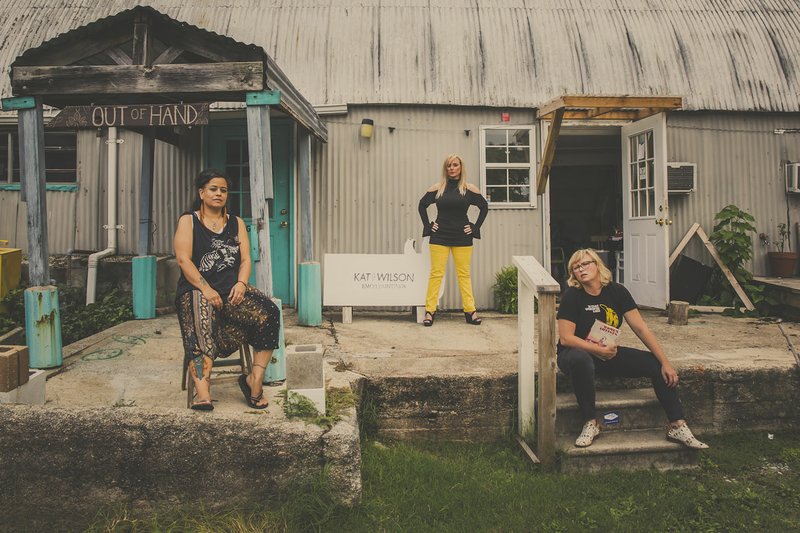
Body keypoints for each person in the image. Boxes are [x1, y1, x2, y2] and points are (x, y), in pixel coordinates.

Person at [556, 248, 708, 449]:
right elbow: (566, 339)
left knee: (655, 364)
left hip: (605, 353)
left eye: (585, 264)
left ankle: (677, 425)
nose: (581, 269)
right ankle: (590, 423)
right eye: (576, 267)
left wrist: (665, 362)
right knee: (581, 359)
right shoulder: (572, 296)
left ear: (597, 264)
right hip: (574, 355)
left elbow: (641, 328)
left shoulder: (617, 292)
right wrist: (598, 351)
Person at [174, 168, 280, 411]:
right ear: (201, 193)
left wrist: (242, 284)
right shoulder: (188, 221)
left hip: (231, 289)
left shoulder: (236, 223)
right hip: (196, 289)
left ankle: (254, 380)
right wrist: (207, 289)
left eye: (223, 190)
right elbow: (183, 260)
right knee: (199, 318)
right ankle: (202, 392)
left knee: (269, 312)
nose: (218, 194)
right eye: (213, 189)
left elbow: (244, 260)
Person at [418, 154, 488, 326]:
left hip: (462, 237)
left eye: (455, 165)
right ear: (446, 168)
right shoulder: (438, 187)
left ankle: (470, 311)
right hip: (440, 235)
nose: (451, 168)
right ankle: (429, 312)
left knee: (464, 275)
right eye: (449, 165)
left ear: (461, 167)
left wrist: (474, 227)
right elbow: (422, 205)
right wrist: (429, 225)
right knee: (436, 274)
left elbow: (484, 207)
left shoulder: (468, 189)